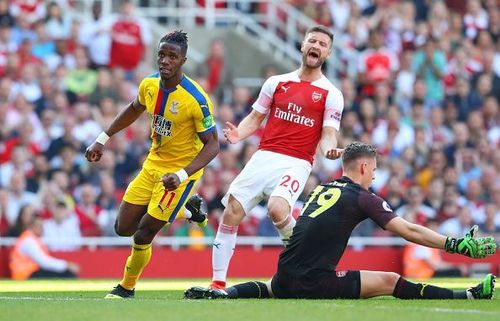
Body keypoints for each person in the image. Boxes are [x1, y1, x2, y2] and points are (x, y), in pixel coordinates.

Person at [186, 142, 497, 300]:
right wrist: (455, 244)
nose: (375, 174)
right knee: (389, 280)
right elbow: (408, 230)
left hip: (285, 275)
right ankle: (467, 295)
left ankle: (224, 293)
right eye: (374, 168)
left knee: (273, 287)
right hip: (314, 281)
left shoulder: (324, 187)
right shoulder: (362, 197)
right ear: (363, 166)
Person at [85, 30, 219, 299]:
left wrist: (181, 175)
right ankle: (188, 210)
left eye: (172, 56)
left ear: (183, 61)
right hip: (152, 166)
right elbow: (134, 108)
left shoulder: (196, 99)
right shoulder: (149, 85)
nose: (165, 61)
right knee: (123, 228)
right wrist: (103, 138)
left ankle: (126, 287)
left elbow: (213, 145)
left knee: (144, 232)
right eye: (161, 54)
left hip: (179, 173)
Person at [210, 25, 344, 291]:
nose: (316, 46)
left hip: (296, 161)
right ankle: (217, 284)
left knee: (277, 208)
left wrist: (329, 149)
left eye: (322, 44)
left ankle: (305, 262)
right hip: (264, 156)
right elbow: (256, 118)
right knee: (232, 212)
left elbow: (329, 133)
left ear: (327, 53)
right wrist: (239, 133)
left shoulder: (331, 93)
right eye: (312, 41)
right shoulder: (276, 82)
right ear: (303, 45)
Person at [9, 215, 79, 280]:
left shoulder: (32, 238)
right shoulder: (28, 240)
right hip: (25, 275)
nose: (41, 228)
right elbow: (44, 262)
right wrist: (66, 265)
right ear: (30, 226)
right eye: (38, 226)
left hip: (29, 273)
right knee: (67, 274)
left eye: (42, 226)